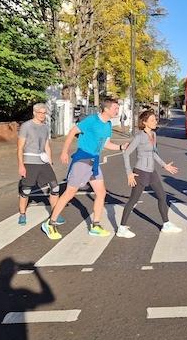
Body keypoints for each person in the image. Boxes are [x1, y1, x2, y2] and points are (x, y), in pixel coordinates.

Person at [41, 99, 128, 240]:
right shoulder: (91, 120)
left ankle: (95, 225)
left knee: (101, 193)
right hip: (82, 160)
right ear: (106, 109)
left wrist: (120, 147)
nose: (117, 111)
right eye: (115, 108)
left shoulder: (108, 125)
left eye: (118, 108)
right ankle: (50, 223)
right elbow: (72, 132)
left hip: (94, 162)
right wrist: (64, 152)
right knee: (70, 193)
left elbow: (106, 144)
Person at [117, 110, 181, 238]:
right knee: (133, 200)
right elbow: (126, 153)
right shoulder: (139, 136)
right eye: (152, 120)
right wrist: (129, 173)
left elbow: (153, 153)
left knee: (162, 196)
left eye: (155, 119)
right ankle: (122, 228)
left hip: (152, 172)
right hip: (140, 172)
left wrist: (164, 165)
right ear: (144, 122)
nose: (155, 122)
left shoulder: (153, 134)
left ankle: (166, 224)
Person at [16, 103, 61, 226]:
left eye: (44, 113)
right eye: (40, 112)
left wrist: (50, 162)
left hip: (43, 161)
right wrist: (21, 165)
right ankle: (22, 214)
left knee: (55, 187)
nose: (42, 115)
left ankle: (55, 213)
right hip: (30, 162)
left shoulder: (46, 127)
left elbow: (47, 145)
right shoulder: (26, 126)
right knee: (26, 190)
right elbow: (20, 147)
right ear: (34, 113)